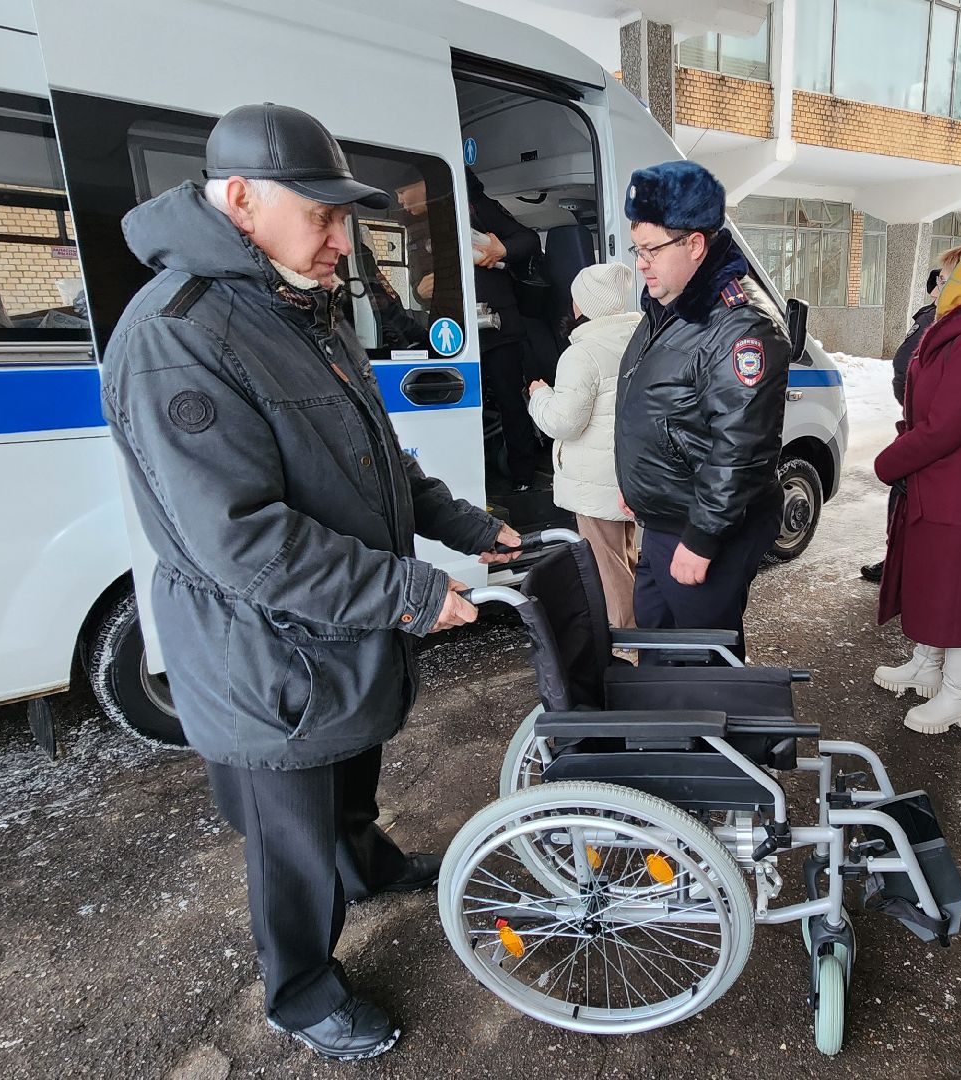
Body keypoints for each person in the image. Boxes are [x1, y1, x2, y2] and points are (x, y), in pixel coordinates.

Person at [99, 103, 520, 1062]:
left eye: (345, 218)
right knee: (289, 839)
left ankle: (365, 866)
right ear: (240, 200)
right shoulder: (181, 336)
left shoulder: (302, 304)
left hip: (332, 625)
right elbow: (240, 542)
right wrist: (408, 592)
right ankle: (301, 990)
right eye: (322, 217)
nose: (343, 240)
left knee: (351, 764)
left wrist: (464, 523)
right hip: (262, 648)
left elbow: (376, 456)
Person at [616, 160, 789, 660]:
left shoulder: (738, 327)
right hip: (666, 518)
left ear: (695, 244)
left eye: (651, 249)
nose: (641, 263)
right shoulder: (670, 305)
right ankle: (669, 736)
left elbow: (743, 448)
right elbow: (659, 411)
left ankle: (718, 739)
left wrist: (702, 538)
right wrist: (640, 490)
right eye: (637, 248)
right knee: (658, 643)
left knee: (703, 660)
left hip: (700, 528)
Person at [869, 243, 961, 734]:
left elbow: (945, 426)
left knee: (957, 587)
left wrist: (889, 461)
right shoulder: (952, 331)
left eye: (946, 275)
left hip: (958, 482)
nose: (937, 284)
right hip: (933, 476)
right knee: (931, 576)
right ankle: (927, 665)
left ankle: (959, 695)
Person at [400, 169, 544, 488]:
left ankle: (523, 478)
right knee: (459, 405)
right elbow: (416, 286)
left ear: (425, 184)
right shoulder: (413, 228)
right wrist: (420, 291)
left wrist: (500, 251)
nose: (399, 199)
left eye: (403, 189)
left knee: (510, 401)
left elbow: (528, 240)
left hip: (498, 326)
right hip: (453, 334)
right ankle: (469, 476)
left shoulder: (474, 207)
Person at [526, 261, 643, 626]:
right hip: (627, 475)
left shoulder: (582, 353)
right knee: (627, 557)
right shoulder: (637, 339)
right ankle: (647, 636)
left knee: (608, 569)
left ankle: (629, 650)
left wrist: (539, 396)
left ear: (584, 305)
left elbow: (565, 422)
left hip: (595, 482)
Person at [862, 265, 945, 584]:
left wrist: (913, 404)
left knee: (910, 493)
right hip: (929, 422)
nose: (937, 285)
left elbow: (904, 365)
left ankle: (903, 565)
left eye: (941, 280)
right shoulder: (949, 317)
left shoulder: (937, 317)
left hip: (927, 425)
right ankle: (907, 562)